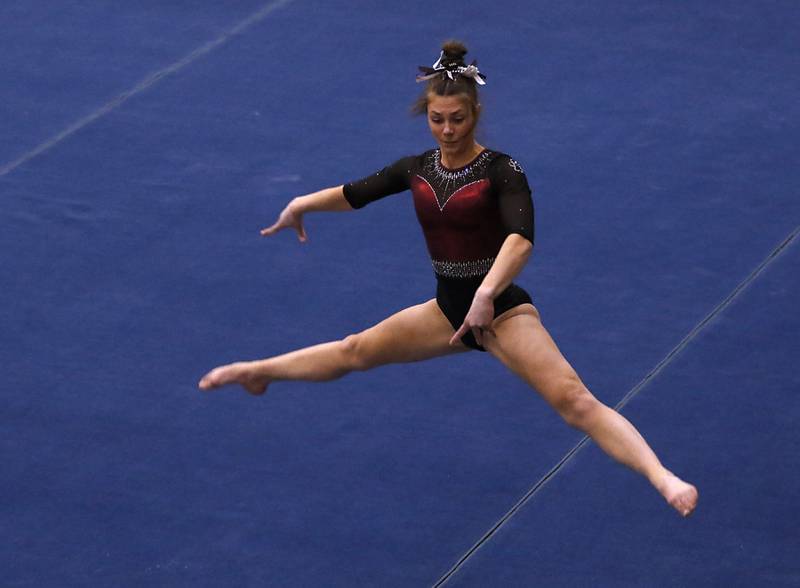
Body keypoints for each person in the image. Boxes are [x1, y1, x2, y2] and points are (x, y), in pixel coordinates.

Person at [199, 41, 698, 517]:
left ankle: (662, 477)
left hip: (500, 310)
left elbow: (520, 239)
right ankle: (258, 371)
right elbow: (355, 193)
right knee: (355, 350)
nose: (447, 130)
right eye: (437, 120)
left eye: (457, 119)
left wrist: (486, 295)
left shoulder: (503, 170)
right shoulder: (417, 169)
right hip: (448, 310)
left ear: (474, 114)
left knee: (575, 401)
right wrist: (302, 203)